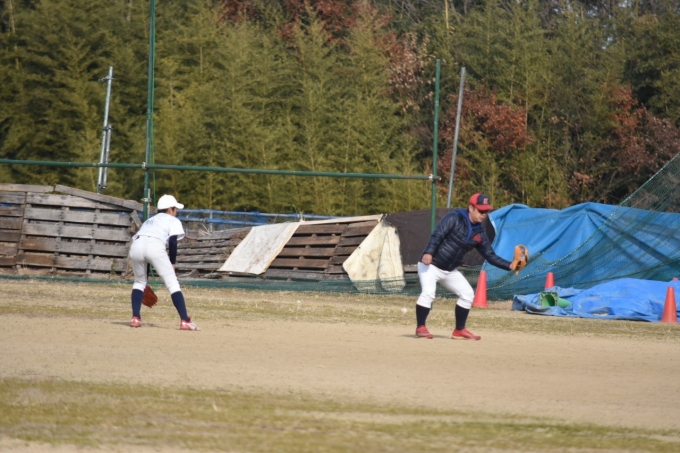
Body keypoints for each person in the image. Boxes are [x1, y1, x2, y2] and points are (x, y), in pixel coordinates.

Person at [415, 193, 514, 340]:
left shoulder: (479, 233)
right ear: (471, 208)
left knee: (467, 295)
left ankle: (459, 330)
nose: (483, 214)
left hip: (449, 270)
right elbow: (438, 235)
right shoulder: (454, 217)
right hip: (431, 265)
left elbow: (490, 255)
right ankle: (421, 327)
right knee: (428, 292)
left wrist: (510, 265)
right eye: (480, 210)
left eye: (486, 211)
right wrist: (428, 252)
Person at [128, 194, 200, 331]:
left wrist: (145, 279)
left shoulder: (150, 220)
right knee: (172, 283)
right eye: (175, 209)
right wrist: (172, 262)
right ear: (170, 209)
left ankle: (135, 318)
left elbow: (144, 246)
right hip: (155, 246)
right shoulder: (173, 220)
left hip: (136, 245)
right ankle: (185, 320)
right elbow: (172, 241)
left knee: (139, 283)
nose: (176, 212)